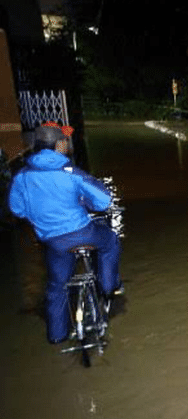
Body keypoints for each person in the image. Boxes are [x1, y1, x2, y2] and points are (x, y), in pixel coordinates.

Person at [7, 124, 122, 344]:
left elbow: (17, 209)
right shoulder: (71, 173)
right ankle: (109, 287)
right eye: (64, 141)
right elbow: (104, 200)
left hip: (52, 240)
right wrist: (85, 201)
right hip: (82, 232)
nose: (67, 145)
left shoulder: (22, 176)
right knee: (110, 241)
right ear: (58, 145)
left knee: (56, 286)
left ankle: (57, 335)